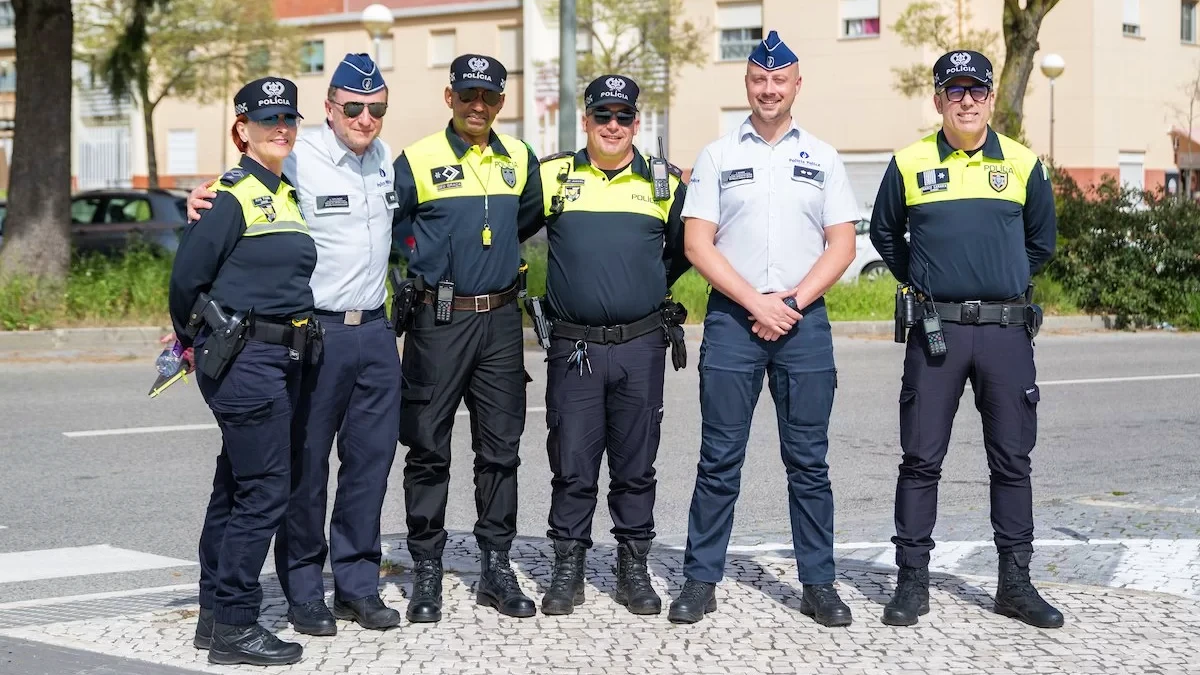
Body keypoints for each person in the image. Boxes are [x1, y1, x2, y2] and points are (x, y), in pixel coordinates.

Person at [186, 54, 403, 634]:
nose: (365, 118)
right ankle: (304, 587)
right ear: (328, 110)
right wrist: (198, 195)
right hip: (317, 334)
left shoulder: (385, 161)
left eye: (376, 108)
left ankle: (357, 583)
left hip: (377, 331)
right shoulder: (298, 155)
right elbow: (236, 188)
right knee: (305, 468)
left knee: (370, 465)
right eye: (353, 107)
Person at [667, 30, 859, 627]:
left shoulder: (823, 156)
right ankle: (701, 580)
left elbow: (843, 244)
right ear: (746, 84)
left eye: (779, 80)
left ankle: (818, 583)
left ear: (797, 85)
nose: (768, 88)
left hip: (803, 324)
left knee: (808, 461)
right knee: (719, 458)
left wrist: (792, 303)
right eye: (758, 79)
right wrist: (756, 301)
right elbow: (697, 243)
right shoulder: (720, 156)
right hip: (731, 319)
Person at [868, 50, 1063, 629]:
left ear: (990, 97)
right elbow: (885, 232)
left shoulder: (1024, 164)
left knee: (1012, 460)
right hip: (937, 332)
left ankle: (1015, 582)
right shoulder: (908, 163)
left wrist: (1001, 282)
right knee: (921, 458)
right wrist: (927, 279)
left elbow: (1041, 243)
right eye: (954, 91)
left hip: (1005, 332)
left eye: (976, 90)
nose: (967, 100)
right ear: (937, 100)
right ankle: (911, 582)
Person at [168, 77, 317, 666]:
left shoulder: (285, 193)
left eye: (289, 119)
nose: (281, 128)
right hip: (245, 359)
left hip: (281, 356)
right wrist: (191, 340)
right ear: (242, 130)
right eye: (268, 120)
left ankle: (212, 615)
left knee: (236, 485)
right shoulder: (227, 196)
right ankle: (235, 626)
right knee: (265, 491)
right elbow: (187, 281)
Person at [391, 53, 543, 621]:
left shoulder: (520, 158)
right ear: (449, 96)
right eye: (468, 95)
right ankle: (427, 570)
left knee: (500, 449)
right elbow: (387, 221)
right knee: (428, 447)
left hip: (502, 321)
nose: (478, 105)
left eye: (490, 97)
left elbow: (525, 218)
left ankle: (495, 568)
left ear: (502, 102)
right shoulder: (417, 159)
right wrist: (419, 260)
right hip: (439, 320)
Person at [532, 75, 691, 617]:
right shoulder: (554, 176)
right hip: (574, 347)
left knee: (635, 462)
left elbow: (681, 252)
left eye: (624, 117)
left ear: (636, 123)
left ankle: (632, 567)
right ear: (587, 120)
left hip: (640, 345)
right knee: (572, 461)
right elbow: (506, 226)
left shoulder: (662, 183)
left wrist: (635, 289)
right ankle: (568, 567)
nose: (614, 126)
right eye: (603, 116)